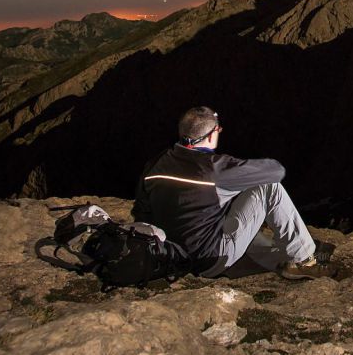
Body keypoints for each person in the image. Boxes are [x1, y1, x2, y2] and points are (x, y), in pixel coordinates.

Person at [132, 106, 332, 279]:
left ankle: (281, 257)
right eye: (218, 129)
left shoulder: (156, 164)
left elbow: (141, 212)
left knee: (229, 210)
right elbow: (275, 171)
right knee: (268, 187)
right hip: (208, 260)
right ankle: (305, 260)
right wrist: (239, 172)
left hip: (172, 254)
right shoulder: (214, 169)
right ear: (211, 134)